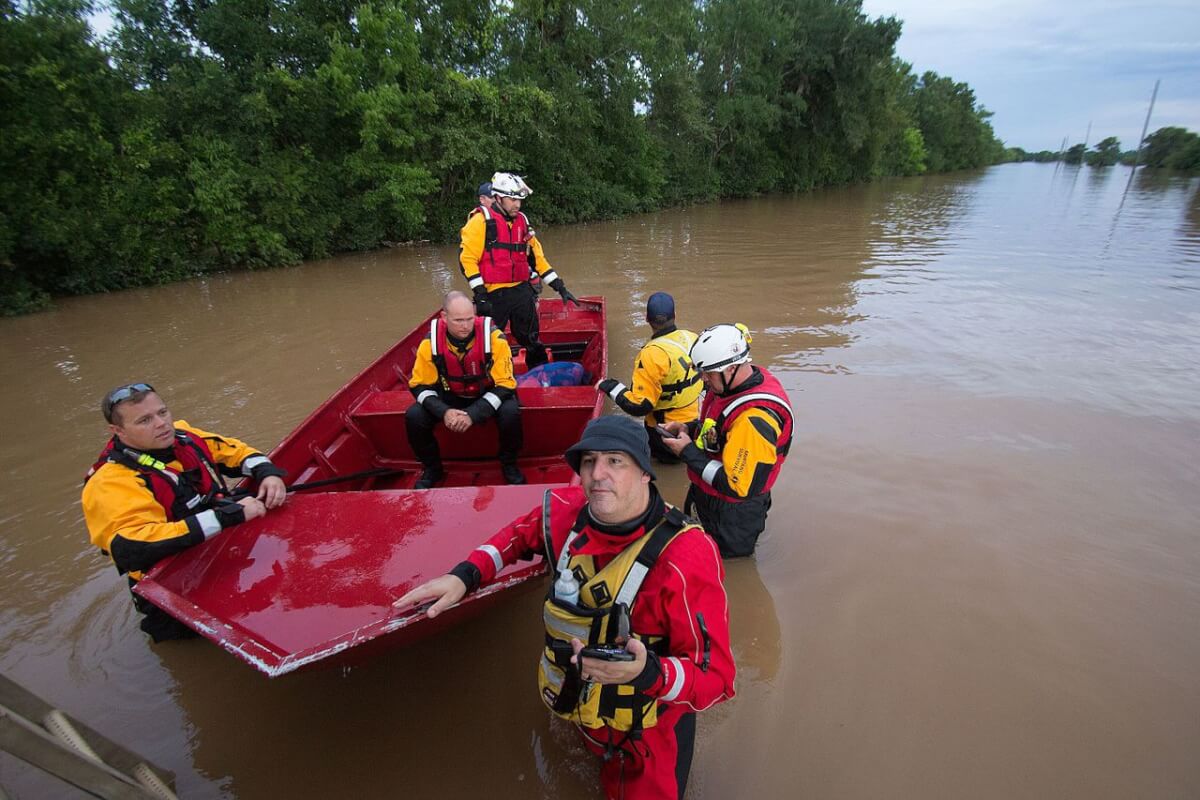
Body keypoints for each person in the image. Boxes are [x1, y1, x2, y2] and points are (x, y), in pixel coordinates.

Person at [395, 415, 734, 799]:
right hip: (580, 705)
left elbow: (718, 679)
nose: (596, 474)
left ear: (645, 473)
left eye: (615, 461)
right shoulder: (565, 512)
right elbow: (516, 537)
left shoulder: (688, 556)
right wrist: (466, 575)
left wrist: (647, 671)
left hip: (647, 738)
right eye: (588, 461)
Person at [81, 383, 287, 641]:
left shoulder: (184, 436)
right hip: (169, 587)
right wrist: (227, 516)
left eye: (162, 412)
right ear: (117, 431)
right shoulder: (110, 483)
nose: (162, 424)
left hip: (216, 551)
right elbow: (131, 547)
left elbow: (236, 452)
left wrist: (267, 473)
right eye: (145, 420)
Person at [660, 324, 793, 558]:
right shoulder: (730, 386)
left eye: (708, 374)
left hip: (732, 516)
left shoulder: (754, 419)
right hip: (709, 499)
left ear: (732, 368)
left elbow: (737, 486)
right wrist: (689, 429)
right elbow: (718, 428)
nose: (703, 380)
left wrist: (687, 452)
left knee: (723, 563)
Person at [459, 171, 579, 368]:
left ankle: (539, 374)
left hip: (520, 290)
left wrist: (560, 287)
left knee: (532, 339)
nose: (517, 204)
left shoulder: (522, 222)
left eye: (519, 200)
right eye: (511, 199)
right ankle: (487, 378)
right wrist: (480, 294)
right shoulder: (480, 222)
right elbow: (467, 260)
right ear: (497, 198)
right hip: (492, 293)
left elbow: (538, 258)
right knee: (487, 343)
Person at [406, 290, 526, 488]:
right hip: (451, 396)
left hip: (489, 393)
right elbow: (419, 386)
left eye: (470, 319)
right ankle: (432, 469)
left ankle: (509, 464)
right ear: (444, 317)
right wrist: (444, 412)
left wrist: (473, 414)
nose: (465, 326)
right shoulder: (429, 344)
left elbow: (506, 384)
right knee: (414, 416)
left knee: (511, 412)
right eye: (458, 320)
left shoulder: (495, 338)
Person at [595, 292, 701, 464]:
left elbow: (639, 406)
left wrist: (610, 386)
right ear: (675, 315)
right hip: (696, 425)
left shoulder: (651, 354)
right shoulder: (692, 338)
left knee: (660, 467)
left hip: (665, 433)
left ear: (646, 318)